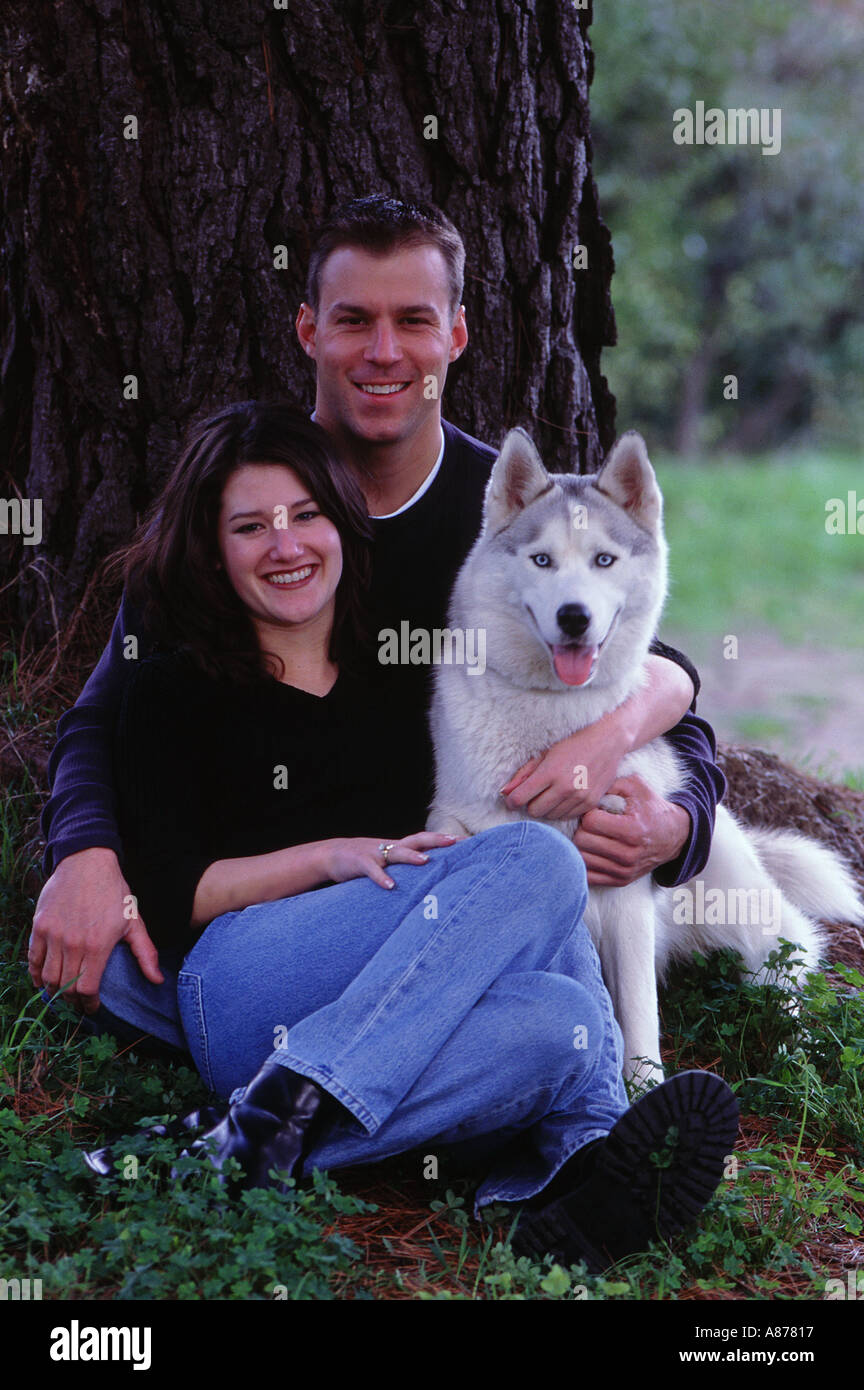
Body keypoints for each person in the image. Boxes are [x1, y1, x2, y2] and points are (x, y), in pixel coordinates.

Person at [30, 195, 726, 1033]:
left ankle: (392, 1071)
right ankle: (300, 1042)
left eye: (414, 321)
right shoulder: (244, 498)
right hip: (267, 900)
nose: (385, 351)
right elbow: (101, 716)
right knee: (117, 963)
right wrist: (85, 856)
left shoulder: (510, 517)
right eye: (354, 320)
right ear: (308, 331)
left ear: (457, 336)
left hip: (444, 885)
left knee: (542, 945)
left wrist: (674, 819)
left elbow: (637, 672)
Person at [76, 401, 739, 1273]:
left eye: (308, 516)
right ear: (212, 547)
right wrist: (330, 857)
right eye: (251, 527)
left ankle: (548, 1175)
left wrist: (647, 764)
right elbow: (167, 891)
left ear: (343, 524)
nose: (287, 545)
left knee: (567, 1020)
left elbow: (638, 669)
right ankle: (589, 1136)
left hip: (410, 988)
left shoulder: (405, 668)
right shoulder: (172, 689)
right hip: (241, 983)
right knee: (540, 856)